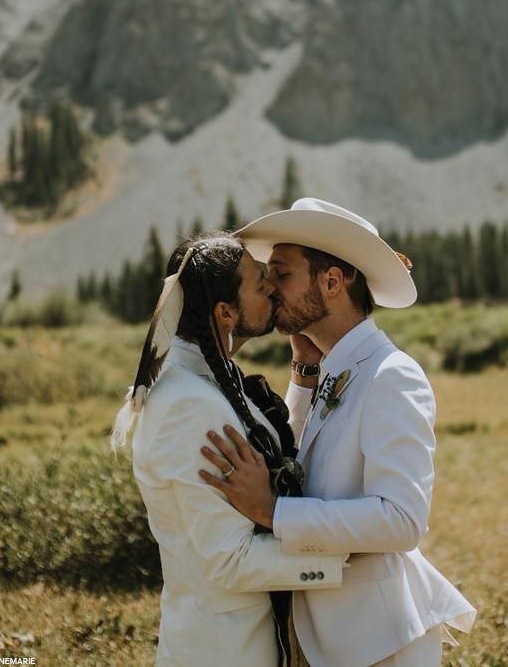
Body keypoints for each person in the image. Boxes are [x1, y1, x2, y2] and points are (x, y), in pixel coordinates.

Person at [200, 199, 476, 667]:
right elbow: (304, 466)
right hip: (333, 637)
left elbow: (401, 520)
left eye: (282, 274)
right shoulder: (333, 366)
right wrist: (304, 376)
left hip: (379, 643)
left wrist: (272, 511)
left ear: (331, 282)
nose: (269, 287)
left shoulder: (392, 374)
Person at [111, 232, 345, 667]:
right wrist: (347, 560)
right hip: (223, 651)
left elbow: (271, 455)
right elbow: (230, 562)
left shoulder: (210, 381)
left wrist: (303, 373)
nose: (272, 287)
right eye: (259, 283)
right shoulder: (187, 407)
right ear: (225, 313)